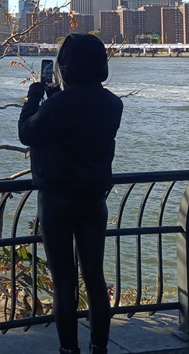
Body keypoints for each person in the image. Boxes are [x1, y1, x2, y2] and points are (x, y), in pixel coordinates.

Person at [18, 33, 123, 354]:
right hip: (94, 201)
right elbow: (79, 125)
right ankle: (99, 348)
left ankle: (68, 350)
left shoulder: (58, 105)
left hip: (56, 201)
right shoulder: (112, 103)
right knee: (94, 278)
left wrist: (34, 97)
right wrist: (56, 100)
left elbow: (27, 133)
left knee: (64, 283)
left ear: (66, 66)